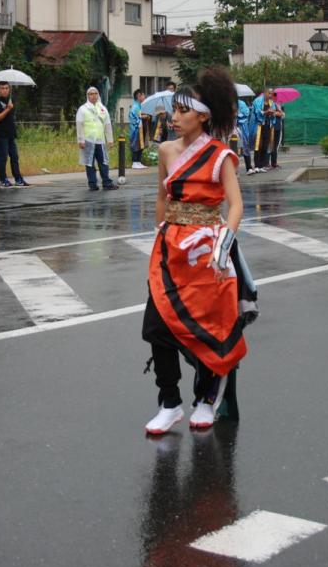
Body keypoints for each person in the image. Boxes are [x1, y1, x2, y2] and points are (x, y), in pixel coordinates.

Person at [142, 66, 257, 435]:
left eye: (182, 111)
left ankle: (206, 399)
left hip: (207, 251)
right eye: (173, 111)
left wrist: (223, 249)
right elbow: (162, 198)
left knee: (210, 327)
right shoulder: (165, 150)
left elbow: (235, 205)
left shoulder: (220, 155)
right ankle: (169, 402)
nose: (173, 118)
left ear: (203, 116)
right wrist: (158, 235)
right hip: (169, 249)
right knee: (157, 326)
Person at [76, 86, 117, 191]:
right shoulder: (83, 109)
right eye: (91, 94)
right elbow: (79, 125)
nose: (93, 96)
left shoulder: (103, 109)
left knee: (104, 162)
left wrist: (110, 140)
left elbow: (107, 125)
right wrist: (80, 140)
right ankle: (92, 184)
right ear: (87, 96)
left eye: (95, 94)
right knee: (89, 163)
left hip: (100, 141)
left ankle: (107, 183)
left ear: (98, 95)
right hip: (88, 140)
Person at [0, 81, 28, 188]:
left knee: (14, 157)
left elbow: (10, 118)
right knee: (3, 158)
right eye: (2, 88)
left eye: (6, 88)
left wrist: (10, 108)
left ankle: (18, 179)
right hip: (1, 135)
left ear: (9, 89)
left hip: (11, 134)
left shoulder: (11, 101)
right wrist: (7, 109)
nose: (5, 90)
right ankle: (2, 179)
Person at [129, 90, 148, 169]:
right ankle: (134, 162)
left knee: (140, 145)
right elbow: (138, 116)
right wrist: (145, 116)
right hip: (136, 130)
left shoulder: (139, 105)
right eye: (143, 95)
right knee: (136, 145)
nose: (144, 97)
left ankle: (138, 162)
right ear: (138, 96)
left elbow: (140, 115)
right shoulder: (135, 106)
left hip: (140, 128)